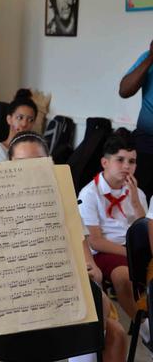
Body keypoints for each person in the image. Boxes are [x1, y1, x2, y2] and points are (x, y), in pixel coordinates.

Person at [8, 131, 128, 362]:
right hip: (20, 300)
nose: (30, 171)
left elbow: (92, 268)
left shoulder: (64, 205)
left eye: (38, 163)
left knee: (116, 332)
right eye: (21, 164)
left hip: (64, 293)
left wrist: (87, 274)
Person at [78, 129, 147, 322]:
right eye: (120, 160)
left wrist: (135, 203)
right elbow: (95, 241)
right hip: (105, 252)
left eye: (132, 161)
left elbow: (146, 232)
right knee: (123, 277)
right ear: (105, 162)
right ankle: (145, 328)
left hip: (133, 249)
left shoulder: (137, 193)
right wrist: (131, 255)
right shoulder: (89, 194)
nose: (127, 166)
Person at [119, 39, 153, 201]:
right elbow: (124, 90)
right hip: (146, 144)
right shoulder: (147, 58)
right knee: (139, 200)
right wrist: (151, 57)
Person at [0, 92, 37, 163]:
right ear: (9, 119)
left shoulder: (35, 151)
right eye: (20, 118)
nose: (24, 124)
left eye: (30, 120)